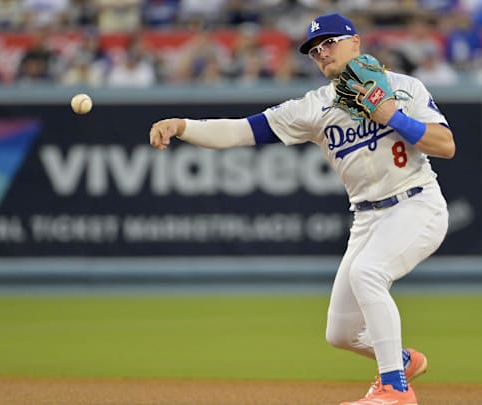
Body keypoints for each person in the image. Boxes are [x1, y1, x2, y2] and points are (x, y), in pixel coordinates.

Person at [149, 13, 454, 405]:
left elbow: (445, 145)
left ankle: (394, 388)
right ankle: (402, 360)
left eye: (329, 42)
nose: (321, 52)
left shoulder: (403, 88)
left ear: (356, 43)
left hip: (417, 204)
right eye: (313, 49)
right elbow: (241, 131)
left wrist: (391, 116)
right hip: (367, 217)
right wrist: (183, 125)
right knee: (340, 334)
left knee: (368, 273)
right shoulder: (315, 107)